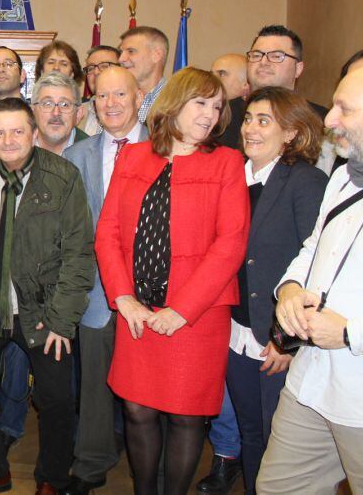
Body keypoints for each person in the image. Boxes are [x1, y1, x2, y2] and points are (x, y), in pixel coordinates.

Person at [95, 67, 249, 495]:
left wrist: (182, 310)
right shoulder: (134, 156)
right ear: (174, 104)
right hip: (137, 311)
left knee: (186, 416)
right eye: (200, 103)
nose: (210, 115)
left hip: (196, 319)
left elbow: (231, 243)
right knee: (137, 409)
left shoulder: (227, 162)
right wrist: (123, 298)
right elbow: (107, 233)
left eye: (217, 107)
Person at [0, 96, 94, 495]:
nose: (8, 140)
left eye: (17, 131)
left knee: (57, 401)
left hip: (42, 312)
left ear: (34, 133)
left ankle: (52, 479)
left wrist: (62, 320)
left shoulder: (63, 179)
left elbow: (79, 254)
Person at [257, 62, 363, 495]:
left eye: (345, 108)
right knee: (277, 488)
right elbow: (314, 247)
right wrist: (288, 289)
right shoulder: (344, 178)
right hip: (311, 385)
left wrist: (350, 333)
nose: (329, 119)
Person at [220, 87, 326, 495]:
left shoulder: (306, 182)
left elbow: (317, 265)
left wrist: (288, 341)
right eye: (248, 118)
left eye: (264, 120)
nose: (250, 128)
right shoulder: (233, 176)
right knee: (250, 432)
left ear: (292, 133)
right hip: (236, 332)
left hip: (277, 342)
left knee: (278, 441)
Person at [61, 65, 146, 495]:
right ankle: (91, 464)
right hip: (95, 293)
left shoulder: (166, 148)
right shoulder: (77, 155)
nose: (111, 104)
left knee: (146, 392)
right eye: (102, 96)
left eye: (120, 95)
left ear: (138, 98)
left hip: (151, 296)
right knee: (93, 385)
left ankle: (151, 466)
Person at [218, 25, 328, 149]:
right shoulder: (221, 115)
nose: (263, 62)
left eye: (276, 56)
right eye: (256, 55)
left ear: (298, 68)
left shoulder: (321, 122)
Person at [118, 26, 169, 123]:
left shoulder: (176, 102)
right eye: (121, 52)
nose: (121, 59)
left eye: (131, 51)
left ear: (156, 55)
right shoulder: (117, 100)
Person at [31, 71, 87, 156]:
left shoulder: (95, 155)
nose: (56, 113)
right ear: (32, 112)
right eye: (47, 104)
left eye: (65, 104)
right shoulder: (15, 149)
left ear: (78, 114)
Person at [79, 45, 121, 136]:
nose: (96, 72)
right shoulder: (75, 111)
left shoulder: (136, 110)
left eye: (105, 66)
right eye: (90, 68)